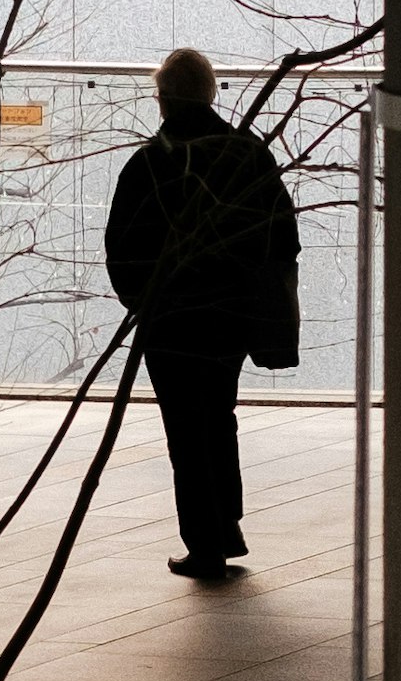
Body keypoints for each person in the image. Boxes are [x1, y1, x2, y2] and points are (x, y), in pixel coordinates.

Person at [105, 49, 299, 579]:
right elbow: (283, 234)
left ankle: (205, 543)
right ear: (211, 94)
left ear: (163, 99)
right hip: (230, 312)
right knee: (218, 414)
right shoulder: (245, 153)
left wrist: (142, 301)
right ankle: (226, 526)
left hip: (170, 317)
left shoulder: (150, 163)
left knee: (185, 429)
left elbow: (122, 245)